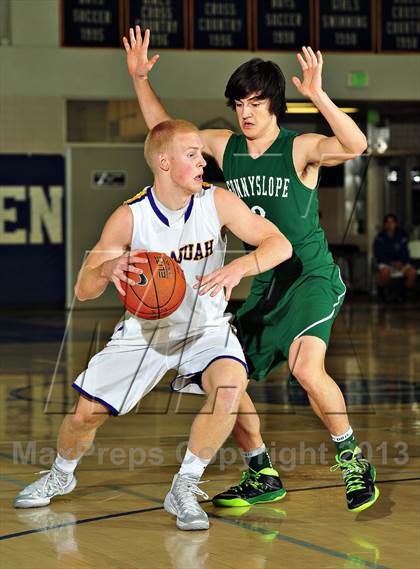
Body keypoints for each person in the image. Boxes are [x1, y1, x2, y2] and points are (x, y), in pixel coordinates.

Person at [123, 27, 379, 512]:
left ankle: (352, 460)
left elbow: (357, 143)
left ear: (274, 106)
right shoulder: (225, 146)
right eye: (240, 102)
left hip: (310, 277)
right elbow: (169, 136)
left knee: (306, 367)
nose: (245, 111)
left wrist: (320, 95)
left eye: (256, 102)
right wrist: (139, 79)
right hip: (264, 279)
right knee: (226, 376)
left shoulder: (299, 148)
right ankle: (260, 471)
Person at [13, 119, 292, 532]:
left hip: (206, 329)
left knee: (231, 387)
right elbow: (83, 289)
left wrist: (241, 266)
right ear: (164, 162)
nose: (203, 162)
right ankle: (61, 472)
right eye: (192, 154)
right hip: (148, 332)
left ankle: (184, 485)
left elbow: (279, 244)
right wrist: (107, 267)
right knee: (84, 416)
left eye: (202, 154)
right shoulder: (130, 217)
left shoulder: (218, 201)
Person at [374, 213, 416, 300]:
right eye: (388, 222)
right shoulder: (379, 238)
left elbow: (406, 253)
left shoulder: (401, 236)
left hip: (401, 263)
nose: (390, 225)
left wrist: (401, 263)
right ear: (385, 224)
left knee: (412, 272)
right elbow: (378, 255)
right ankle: (384, 293)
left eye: (392, 222)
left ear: (396, 224)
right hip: (386, 263)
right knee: (384, 272)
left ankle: (404, 293)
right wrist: (391, 263)